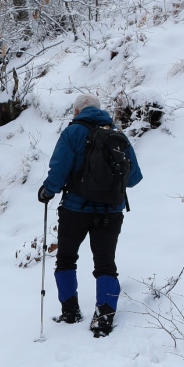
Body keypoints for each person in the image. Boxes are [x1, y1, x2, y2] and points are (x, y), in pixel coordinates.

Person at [37, 94, 142, 337]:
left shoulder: (72, 133)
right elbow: (134, 178)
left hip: (75, 209)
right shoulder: (119, 136)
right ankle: (104, 318)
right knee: (105, 263)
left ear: (76, 112)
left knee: (66, 259)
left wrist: (47, 191)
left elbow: (59, 169)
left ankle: (70, 312)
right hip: (111, 211)